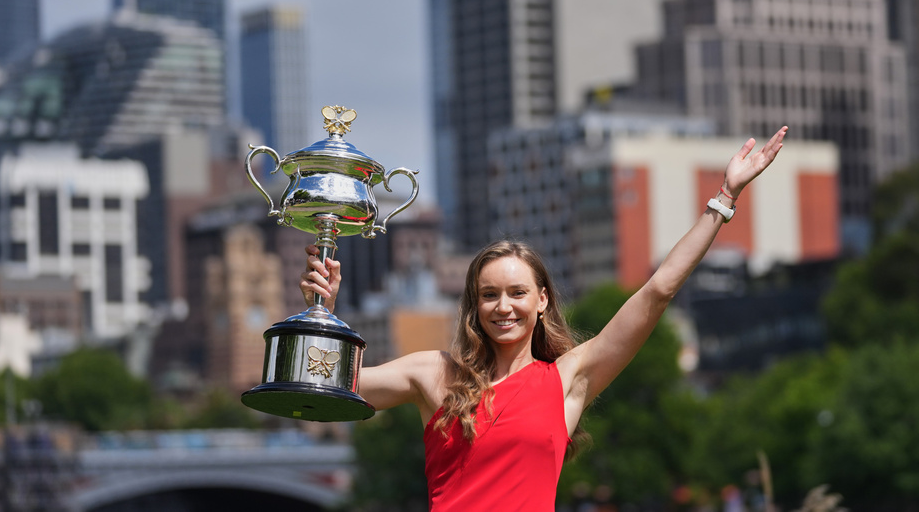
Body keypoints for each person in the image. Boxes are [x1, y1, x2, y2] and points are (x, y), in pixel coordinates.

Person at [301, 127, 788, 511]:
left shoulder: (567, 381)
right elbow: (327, 389)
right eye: (488, 295)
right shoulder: (434, 373)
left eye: (517, 293)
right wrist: (325, 314)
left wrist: (724, 198)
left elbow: (657, 291)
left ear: (542, 300)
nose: (503, 306)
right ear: (474, 305)